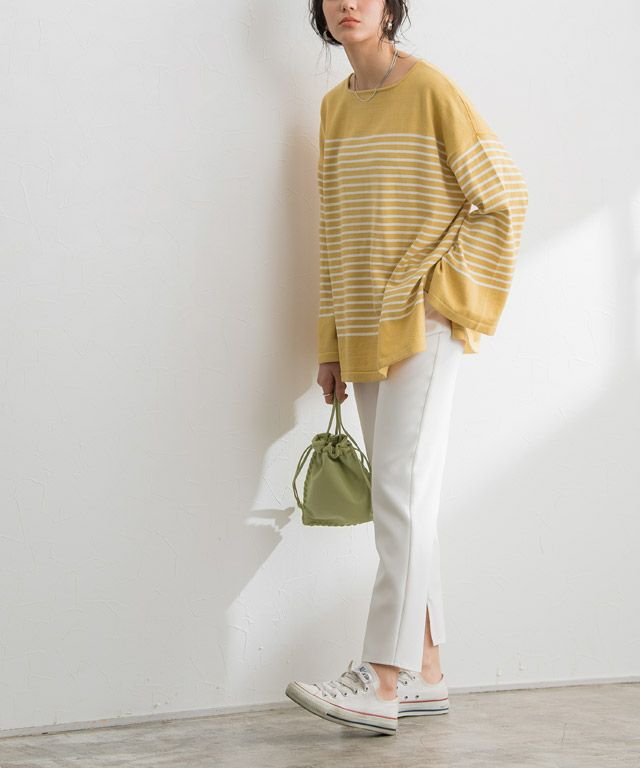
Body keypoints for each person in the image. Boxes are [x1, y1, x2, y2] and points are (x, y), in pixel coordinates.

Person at [285, 0, 528, 735]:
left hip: (422, 325)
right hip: (364, 326)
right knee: (404, 498)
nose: (347, 3)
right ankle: (425, 671)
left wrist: (440, 292)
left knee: (401, 495)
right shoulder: (334, 108)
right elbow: (333, 230)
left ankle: (380, 679)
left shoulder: (430, 90)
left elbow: (504, 196)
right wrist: (329, 341)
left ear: (392, 7)